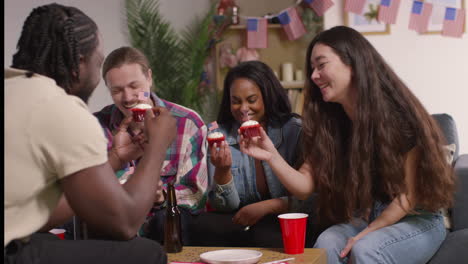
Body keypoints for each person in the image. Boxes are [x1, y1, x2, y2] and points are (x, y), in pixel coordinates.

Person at [239, 26, 455, 263]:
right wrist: (271, 155)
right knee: (326, 242)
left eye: (321, 65)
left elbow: (407, 197)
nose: (313, 75)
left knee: (366, 249)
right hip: (368, 216)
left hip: (416, 217)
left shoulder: (401, 116)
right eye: (312, 68)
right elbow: (303, 187)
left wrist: (367, 233)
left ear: (353, 62)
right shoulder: (330, 124)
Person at [5, 4, 176, 264]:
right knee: (147, 253)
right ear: (80, 64)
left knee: (47, 241)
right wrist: (157, 145)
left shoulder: (13, 91)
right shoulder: (60, 107)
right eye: (99, 61)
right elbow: (125, 223)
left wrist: (116, 157)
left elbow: (38, 215)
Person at [94, 46, 208, 245]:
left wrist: (161, 196)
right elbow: (89, 189)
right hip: (115, 221)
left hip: (165, 219)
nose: (128, 97)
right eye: (117, 90)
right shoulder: (95, 126)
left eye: (134, 86)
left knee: (168, 220)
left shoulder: (187, 122)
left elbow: (195, 194)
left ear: (149, 78)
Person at [191, 61, 304, 247]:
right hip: (241, 221)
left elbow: (311, 199)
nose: (243, 108)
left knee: (267, 235)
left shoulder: (294, 131)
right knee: (202, 225)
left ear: (267, 97)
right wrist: (222, 171)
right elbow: (225, 207)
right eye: (236, 101)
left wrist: (269, 206)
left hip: (286, 219)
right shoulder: (219, 137)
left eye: (251, 100)